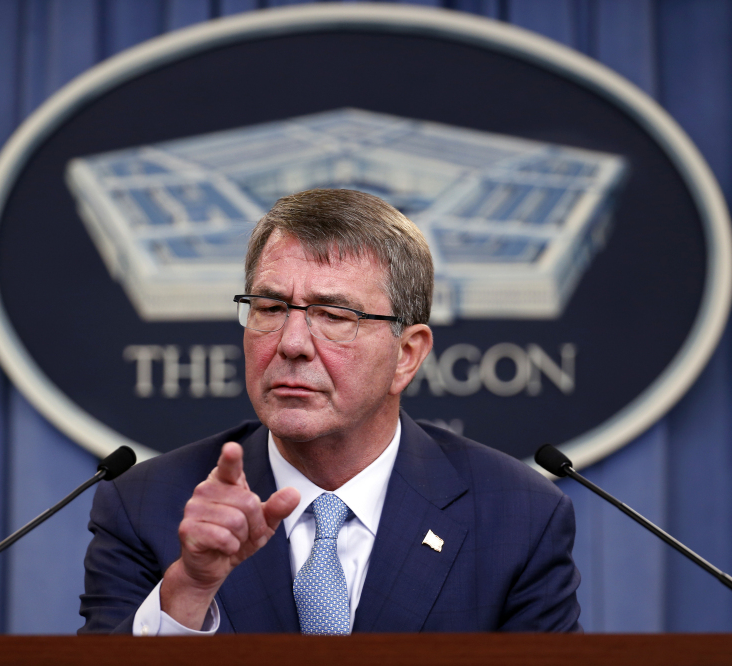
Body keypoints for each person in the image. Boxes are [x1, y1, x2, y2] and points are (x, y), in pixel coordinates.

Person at [79, 188, 581, 635]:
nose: (291, 343)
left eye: (334, 316)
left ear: (407, 354)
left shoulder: (519, 517)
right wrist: (189, 589)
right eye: (271, 309)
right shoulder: (147, 506)